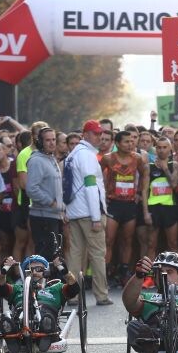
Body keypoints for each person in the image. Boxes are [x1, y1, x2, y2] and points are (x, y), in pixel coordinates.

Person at [65, 120, 110, 305]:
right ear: (85, 135)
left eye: (100, 134)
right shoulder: (88, 156)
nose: (99, 137)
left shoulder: (73, 154)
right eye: (95, 133)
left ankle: (72, 294)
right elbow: (91, 187)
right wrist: (96, 216)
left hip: (75, 211)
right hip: (89, 212)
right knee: (98, 254)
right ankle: (101, 295)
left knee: (75, 255)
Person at [0, 254, 78, 353]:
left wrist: (65, 272)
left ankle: (46, 331)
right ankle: (11, 334)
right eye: (29, 270)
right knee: (10, 317)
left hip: (47, 314)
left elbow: (74, 289)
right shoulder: (18, 288)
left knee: (46, 317)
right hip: (21, 315)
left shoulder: (56, 288)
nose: (34, 272)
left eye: (38, 269)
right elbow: (0, 287)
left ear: (46, 271)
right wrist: (3, 272)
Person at [101, 130, 146, 285]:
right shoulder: (108, 159)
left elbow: (144, 174)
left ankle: (124, 272)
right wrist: (103, 193)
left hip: (129, 204)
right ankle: (105, 273)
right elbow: (98, 175)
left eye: (132, 141)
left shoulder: (137, 158)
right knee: (109, 239)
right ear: (117, 143)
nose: (130, 144)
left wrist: (139, 192)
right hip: (113, 204)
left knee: (127, 240)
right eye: (126, 141)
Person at [25, 127, 63, 261]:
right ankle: (40, 282)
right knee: (45, 257)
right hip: (42, 217)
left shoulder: (50, 158)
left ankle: (51, 281)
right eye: (48, 140)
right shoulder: (36, 161)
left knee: (54, 255)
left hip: (54, 215)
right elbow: (31, 189)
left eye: (54, 139)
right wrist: (51, 202)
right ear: (40, 141)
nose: (52, 143)